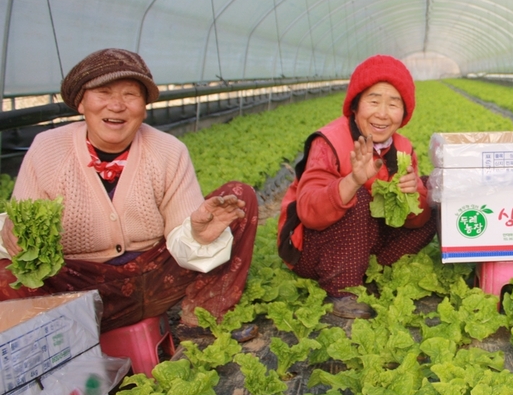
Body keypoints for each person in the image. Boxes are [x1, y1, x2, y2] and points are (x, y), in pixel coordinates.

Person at [0, 49, 258, 331]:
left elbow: (183, 231)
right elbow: (22, 230)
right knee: (5, 276)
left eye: (130, 95)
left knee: (239, 198)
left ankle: (202, 323)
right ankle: (55, 347)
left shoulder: (168, 150)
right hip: (78, 288)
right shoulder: (47, 149)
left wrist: (198, 235)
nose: (117, 105)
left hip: (158, 277)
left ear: (144, 106)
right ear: (81, 102)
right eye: (103, 92)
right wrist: (16, 234)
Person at [277, 54, 436, 318]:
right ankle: (342, 290)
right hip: (311, 251)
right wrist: (351, 182)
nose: (383, 114)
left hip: (365, 242)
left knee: (432, 193)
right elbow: (308, 212)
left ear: (404, 113)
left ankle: (368, 270)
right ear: (355, 105)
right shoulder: (328, 141)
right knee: (359, 196)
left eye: (393, 104)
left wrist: (414, 194)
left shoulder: (403, 148)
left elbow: (415, 222)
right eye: (373, 101)